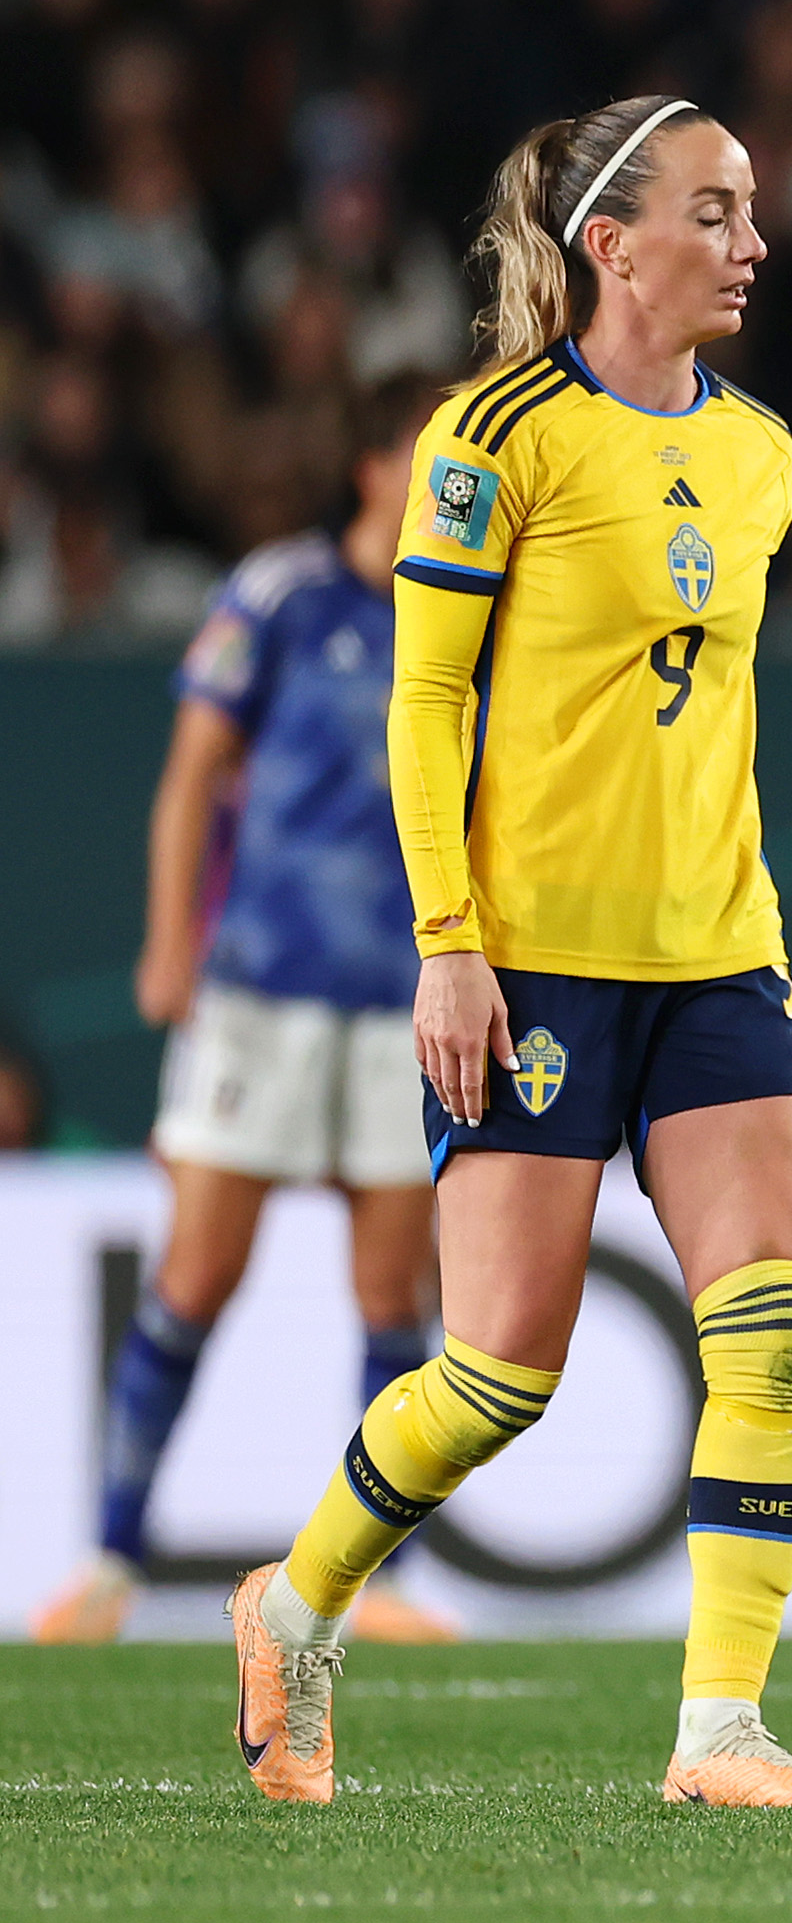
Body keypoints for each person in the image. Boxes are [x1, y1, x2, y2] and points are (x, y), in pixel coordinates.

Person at [226, 91, 792, 1811]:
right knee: (502, 1362)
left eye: (749, 207)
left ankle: (718, 1728)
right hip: (529, 963)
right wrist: (450, 942)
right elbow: (425, 701)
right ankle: (293, 1605)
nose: (750, 240)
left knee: (773, 1322)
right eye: (715, 211)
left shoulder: (760, 451)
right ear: (611, 244)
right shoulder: (488, 432)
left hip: (721, 949)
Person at [32, 374, 466, 1648]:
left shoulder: (482, 613)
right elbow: (190, 780)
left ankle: (375, 1583)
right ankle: (111, 1561)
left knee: (396, 1295)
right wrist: (171, 940)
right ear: (376, 468)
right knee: (197, 1271)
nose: (457, 482)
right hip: (262, 994)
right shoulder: (279, 596)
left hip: (407, 1002)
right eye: (432, 456)